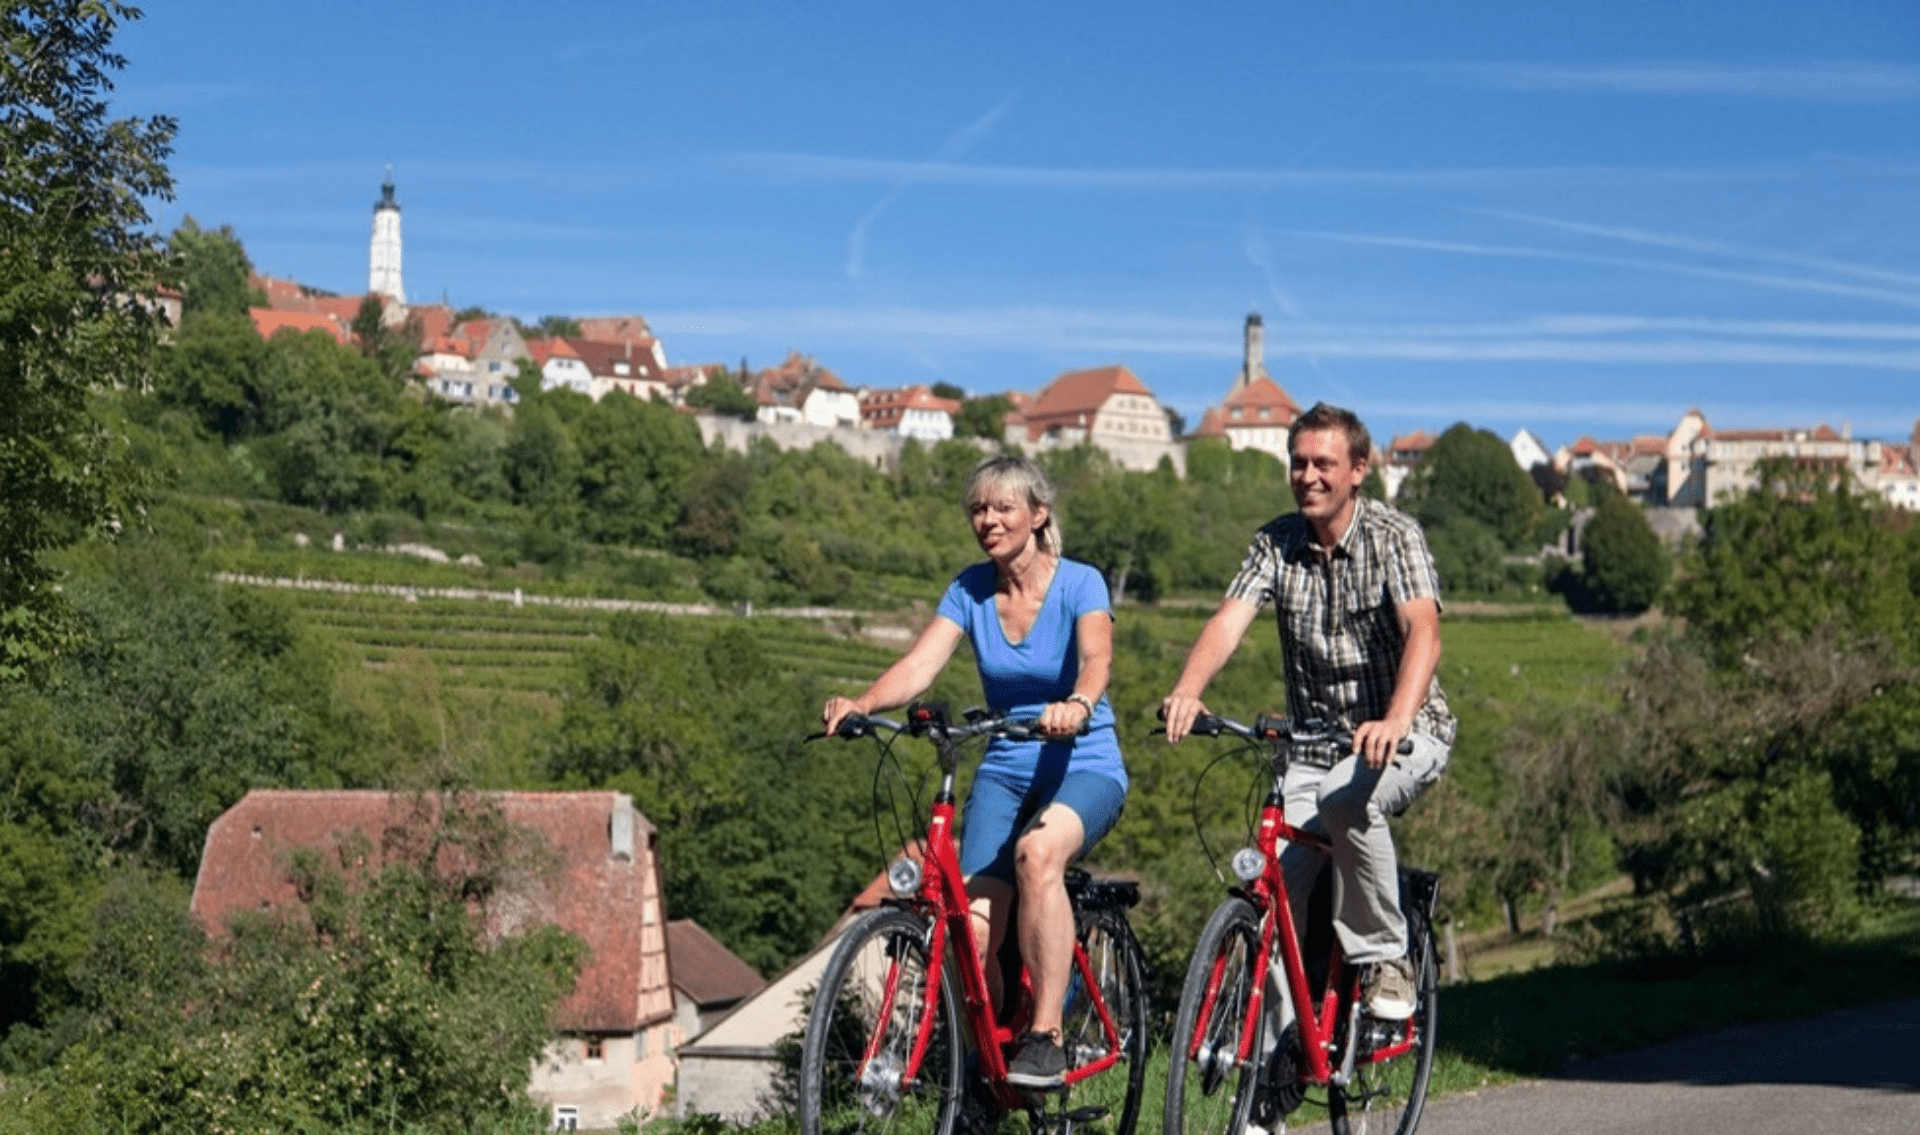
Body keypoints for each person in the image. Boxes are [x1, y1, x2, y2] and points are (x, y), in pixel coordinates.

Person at [822, 454, 1128, 1089]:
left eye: (1002, 508)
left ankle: (1045, 1035)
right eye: (977, 510)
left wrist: (1077, 704)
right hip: (1007, 763)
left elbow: (1096, 657)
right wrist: (864, 702)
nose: (987, 520)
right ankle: (989, 1064)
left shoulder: (1080, 583)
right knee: (974, 926)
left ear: (1037, 515)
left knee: (1038, 856)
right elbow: (919, 665)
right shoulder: (969, 589)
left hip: (1083, 759)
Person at [1159, 402, 1454, 1021]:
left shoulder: (1393, 536)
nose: (1309, 476)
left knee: (1349, 798)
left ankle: (1385, 957)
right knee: (1273, 896)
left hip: (1405, 734)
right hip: (1313, 746)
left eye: (1324, 463)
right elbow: (1227, 623)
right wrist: (1188, 688)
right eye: (1299, 463)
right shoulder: (1276, 542)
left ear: (1358, 471)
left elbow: (1423, 629)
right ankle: (1276, 1075)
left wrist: (1397, 718)